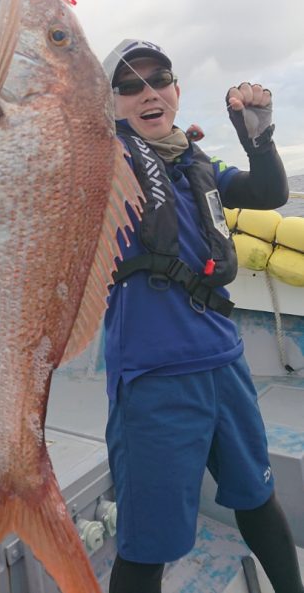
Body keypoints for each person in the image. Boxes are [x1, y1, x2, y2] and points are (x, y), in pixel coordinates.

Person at [102, 38, 303, 593]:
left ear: (176, 91)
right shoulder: (101, 164)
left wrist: (257, 137)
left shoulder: (197, 162)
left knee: (258, 499)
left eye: (158, 79)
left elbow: (268, 192)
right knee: (147, 547)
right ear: (110, 103)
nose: (147, 92)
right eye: (127, 86)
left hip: (225, 366)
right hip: (153, 382)